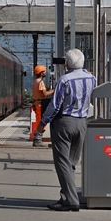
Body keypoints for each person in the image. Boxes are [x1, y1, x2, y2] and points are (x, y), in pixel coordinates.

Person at [36, 48, 96, 211]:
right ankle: (65, 196)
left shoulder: (64, 80)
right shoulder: (91, 78)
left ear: (67, 64)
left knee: (62, 163)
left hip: (64, 123)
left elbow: (55, 106)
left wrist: (42, 123)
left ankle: (71, 200)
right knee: (71, 163)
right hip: (82, 123)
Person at [30, 65, 50, 146]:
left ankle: (37, 139)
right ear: (41, 73)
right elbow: (45, 94)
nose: (45, 72)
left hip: (36, 103)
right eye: (44, 71)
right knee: (42, 122)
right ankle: (38, 140)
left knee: (39, 121)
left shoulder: (35, 82)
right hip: (40, 104)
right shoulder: (40, 82)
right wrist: (54, 90)